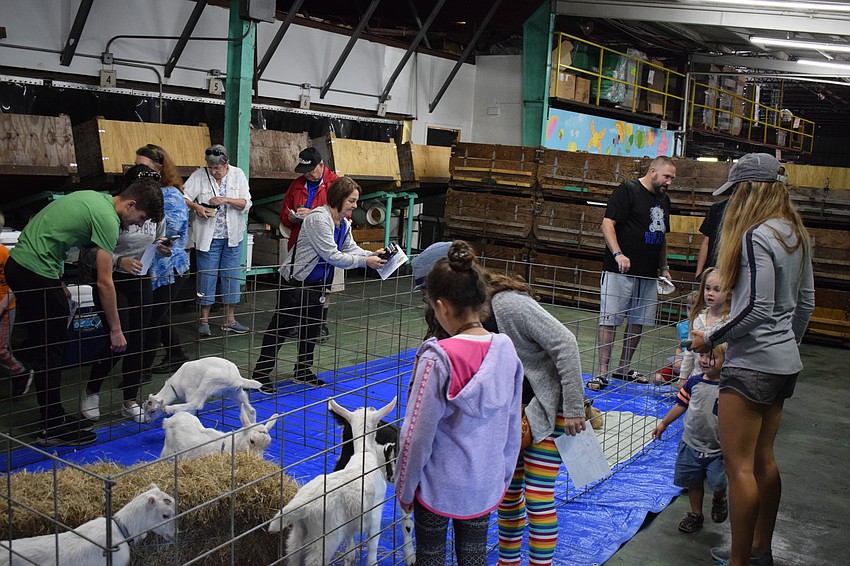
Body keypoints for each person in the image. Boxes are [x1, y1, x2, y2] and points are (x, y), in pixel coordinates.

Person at [411, 241, 587, 566]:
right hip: (514, 419)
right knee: (506, 497)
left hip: (551, 409)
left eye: (428, 293)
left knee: (538, 498)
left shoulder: (508, 305)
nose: (428, 303)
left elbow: (565, 342)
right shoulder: (454, 323)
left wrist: (575, 407)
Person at [689, 153, 814, 566]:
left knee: (738, 465)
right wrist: (787, 346)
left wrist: (710, 339)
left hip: (752, 366)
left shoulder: (757, 236)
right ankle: (760, 550)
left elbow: (757, 307)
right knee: (764, 459)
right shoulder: (794, 232)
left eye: (737, 191)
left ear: (750, 191)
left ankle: (739, 560)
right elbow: (805, 303)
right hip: (782, 364)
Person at [6, 180, 163, 446]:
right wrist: (116, 330)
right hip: (32, 270)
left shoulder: (95, 198)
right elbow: (104, 281)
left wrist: (57, 277)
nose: (137, 225)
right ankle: (50, 427)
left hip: (31, 266)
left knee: (53, 345)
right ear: (130, 204)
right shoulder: (107, 219)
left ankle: (54, 417)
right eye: (140, 218)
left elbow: (50, 228)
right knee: (52, 350)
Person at [396, 241, 524, 566]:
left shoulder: (437, 358)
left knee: (431, 557)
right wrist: (502, 477)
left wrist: (405, 488)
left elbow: (415, 434)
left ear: (441, 307)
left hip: (437, 485)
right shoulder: (506, 350)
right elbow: (512, 423)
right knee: (473, 555)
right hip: (484, 483)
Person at [250, 177, 386, 392]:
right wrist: (365, 262)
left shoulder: (344, 223)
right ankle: (260, 375)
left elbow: (350, 248)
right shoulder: (318, 220)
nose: (355, 206)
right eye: (352, 200)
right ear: (339, 198)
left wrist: (371, 254)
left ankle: (302, 371)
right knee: (281, 328)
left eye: (356, 201)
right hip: (295, 281)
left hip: (317, 284)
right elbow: (332, 255)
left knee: (312, 329)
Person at [80, 165, 170, 423]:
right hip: (111, 279)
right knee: (118, 338)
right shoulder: (110, 212)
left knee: (140, 339)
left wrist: (163, 248)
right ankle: (92, 389)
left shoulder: (154, 211)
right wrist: (119, 261)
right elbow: (87, 254)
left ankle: (129, 399)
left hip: (140, 278)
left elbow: (159, 238)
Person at [590, 156, 676, 391]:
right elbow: (607, 224)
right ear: (653, 171)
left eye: (672, 179)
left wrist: (664, 267)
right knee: (610, 319)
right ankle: (602, 372)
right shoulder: (627, 191)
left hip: (647, 273)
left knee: (638, 322)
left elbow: (661, 236)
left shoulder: (664, 200)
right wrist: (618, 254)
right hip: (620, 270)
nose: (669, 182)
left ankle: (623, 368)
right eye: (666, 177)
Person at [652, 344, 729, 534]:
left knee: (718, 482)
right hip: (691, 442)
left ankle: (719, 498)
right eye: (702, 355)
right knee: (693, 482)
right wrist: (664, 423)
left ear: (726, 361)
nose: (704, 360)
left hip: (718, 448)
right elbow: (680, 405)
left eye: (712, 357)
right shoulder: (694, 383)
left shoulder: (728, 387)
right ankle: (695, 514)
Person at [183, 144, 252, 336]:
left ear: (226, 164)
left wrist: (225, 199)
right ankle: (203, 320)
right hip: (208, 237)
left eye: (217, 168)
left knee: (231, 276)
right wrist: (197, 208)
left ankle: (230, 319)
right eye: (210, 167)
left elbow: (246, 202)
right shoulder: (199, 175)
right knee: (207, 276)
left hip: (232, 236)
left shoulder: (237, 174)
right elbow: (183, 196)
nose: (213, 171)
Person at [135, 144, 191, 375]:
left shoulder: (171, 195)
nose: (139, 171)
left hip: (169, 267)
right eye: (137, 166)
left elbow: (173, 232)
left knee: (153, 319)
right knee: (156, 316)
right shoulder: (144, 191)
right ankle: (176, 355)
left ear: (159, 168)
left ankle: (142, 369)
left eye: (144, 167)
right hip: (151, 265)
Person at [280, 147, 339, 342]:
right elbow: (284, 210)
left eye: (311, 170)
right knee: (297, 284)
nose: (307, 174)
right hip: (301, 243)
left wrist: (312, 213)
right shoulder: (297, 185)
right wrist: (291, 217)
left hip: (326, 242)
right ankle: (295, 323)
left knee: (324, 285)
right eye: (304, 171)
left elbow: (341, 212)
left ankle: (319, 325)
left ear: (321, 165)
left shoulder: (335, 184)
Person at [677, 267, 729, 385]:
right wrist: (683, 377)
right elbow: (690, 352)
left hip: (720, 382)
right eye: (707, 288)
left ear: (729, 292)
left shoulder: (729, 321)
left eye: (717, 290)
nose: (710, 293)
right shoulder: (697, 320)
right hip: (696, 378)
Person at [0, 210, 32, 397]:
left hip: (5, 308)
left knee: (0, 348)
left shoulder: (5, 254)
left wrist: (4, 303)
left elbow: (15, 281)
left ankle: (20, 372)